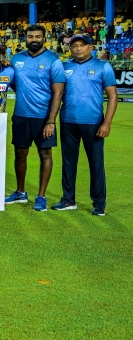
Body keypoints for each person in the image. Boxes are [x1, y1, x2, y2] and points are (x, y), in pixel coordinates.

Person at [5, 25, 65, 211]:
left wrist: (50, 120)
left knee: (45, 154)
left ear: (44, 38)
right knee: (19, 153)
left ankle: (41, 196)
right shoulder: (17, 59)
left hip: (43, 118)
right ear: (25, 38)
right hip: (21, 115)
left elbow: (58, 93)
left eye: (38, 36)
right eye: (30, 36)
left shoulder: (53, 61)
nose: (34, 39)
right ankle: (21, 192)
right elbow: (14, 84)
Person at [56, 33, 117, 215]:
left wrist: (106, 123)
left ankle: (99, 203)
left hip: (94, 123)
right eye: (74, 46)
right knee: (68, 162)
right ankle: (68, 200)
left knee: (96, 163)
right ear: (70, 48)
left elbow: (113, 96)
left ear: (91, 47)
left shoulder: (102, 66)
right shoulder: (64, 67)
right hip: (68, 121)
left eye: (83, 45)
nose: (78, 48)